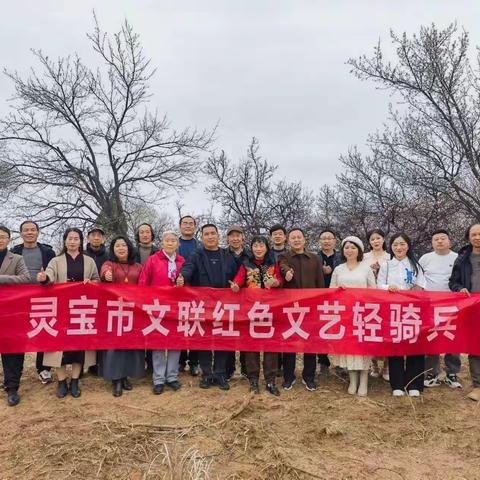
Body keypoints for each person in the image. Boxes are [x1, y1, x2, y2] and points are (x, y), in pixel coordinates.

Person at [37, 228, 100, 399]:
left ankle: (74, 381)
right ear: (65, 241)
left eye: (76, 238)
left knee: (79, 346)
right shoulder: (56, 261)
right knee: (59, 347)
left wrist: (90, 282)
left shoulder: (89, 261)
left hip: (81, 309)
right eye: (69, 238)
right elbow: (49, 275)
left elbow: (97, 280)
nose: (72, 241)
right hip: (61, 309)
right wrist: (45, 278)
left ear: (80, 241)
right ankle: (62, 381)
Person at [177, 223, 239, 390]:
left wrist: (237, 284)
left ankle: (219, 373)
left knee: (221, 339)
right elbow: (187, 269)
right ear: (202, 237)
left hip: (224, 305)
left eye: (213, 233)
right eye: (207, 234)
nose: (210, 237)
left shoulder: (227, 255)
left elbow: (237, 275)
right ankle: (206, 374)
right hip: (202, 305)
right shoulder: (196, 255)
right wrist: (182, 277)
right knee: (204, 340)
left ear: (218, 236)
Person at [230, 236, 282, 396]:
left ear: (266, 247)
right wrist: (236, 285)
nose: (258, 249)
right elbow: (239, 279)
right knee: (251, 346)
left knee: (270, 346)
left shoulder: (274, 263)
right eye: (255, 246)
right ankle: (253, 380)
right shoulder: (246, 264)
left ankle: (270, 381)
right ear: (251, 248)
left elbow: (280, 280)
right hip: (251, 310)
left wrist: (276, 282)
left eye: (261, 246)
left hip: (270, 309)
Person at [377, 233, 426, 397]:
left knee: (415, 344)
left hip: (412, 310)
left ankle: (415, 384)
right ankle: (397, 384)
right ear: (391, 247)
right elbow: (379, 285)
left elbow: (421, 285)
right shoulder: (386, 265)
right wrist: (388, 287)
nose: (399, 247)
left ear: (408, 245)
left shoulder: (415, 265)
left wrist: (415, 291)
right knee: (396, 345)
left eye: (402, 244)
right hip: (393, 311)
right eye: (395, 244)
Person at [139, 231, 185, 394]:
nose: (170, 243)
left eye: (173, 240)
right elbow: (143, 281)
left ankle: (171, 376)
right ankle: (158, 379)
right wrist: (144, 303)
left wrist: (183, 283)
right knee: (157, 342)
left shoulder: (182, 261)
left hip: (176, 307)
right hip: (157, 307)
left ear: (177, 244)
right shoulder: (153, 260)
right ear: (162, 243)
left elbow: (189, 284)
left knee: (175, 342)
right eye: (167, 240)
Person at [279, 228, 325, 391]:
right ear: (288, 241)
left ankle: (309, 376)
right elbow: (282, 266)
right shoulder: (284, 256)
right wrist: (286, 273)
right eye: (293, 238)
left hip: (311, 307)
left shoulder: (314, 258)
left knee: (310, 344)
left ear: (304, 240)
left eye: (299, 237)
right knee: (290, 344)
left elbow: (320, 282)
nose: (296, 240)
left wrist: (320, 304)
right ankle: (288, 377)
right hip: (291, 308)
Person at [99, 236, 145, 397]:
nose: (121, 248)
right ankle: (116, 379)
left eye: (123, 245)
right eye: (117, 245)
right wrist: (107, 275)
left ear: (129, 248)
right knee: (115, 346)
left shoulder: (138, 266)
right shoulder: (109, 264)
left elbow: (143, 285)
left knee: (130, 345)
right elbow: (104, 273)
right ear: (113, 249)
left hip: (133, 311)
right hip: (114, 311)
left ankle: (126, 376)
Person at [330, 236, 376, 396]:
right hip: (345, 314)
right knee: (349, 347)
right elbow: (331, 291)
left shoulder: (366, 268)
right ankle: (353, 379)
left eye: (353, 247)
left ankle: (364, 380)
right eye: (347, 247)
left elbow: (373, 291)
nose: (349, 250)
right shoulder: (338, 269)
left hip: (363, 313)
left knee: (362, 347)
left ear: (359, 250)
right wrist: (338, 290)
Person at [11, 220, 56, 385]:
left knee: (44, 332)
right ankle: (15, 372)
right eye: (26, 230)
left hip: (42, 299)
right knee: (19, 335)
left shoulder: (48, 252)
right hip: (19, 299)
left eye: (32, 230)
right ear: (21, 233)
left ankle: (43, 369)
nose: (29, 232)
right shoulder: (14, 252)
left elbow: (54, 274)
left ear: (38, 232)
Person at [420, 229, 461, 389]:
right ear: (432, 242)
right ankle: (431, 373)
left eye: (443, 238)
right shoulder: (425, 258)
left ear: (449, 241)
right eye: (436, 239)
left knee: (452, 338)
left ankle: (452, 373)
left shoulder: (458, 258)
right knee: (432, 338)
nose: (439, 241)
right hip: (431, 305)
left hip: (453, 305)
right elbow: (418, 277)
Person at [449, 223, 480, 401]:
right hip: (472, 307)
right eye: (473, 234)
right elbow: (453, 282)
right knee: (476, 346)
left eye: (479, 234)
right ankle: (478, 385)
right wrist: (459, 289)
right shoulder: (462, 258)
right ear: (468, 237)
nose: (477, 237)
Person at [0, 225, 31, 406]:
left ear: (9, 240)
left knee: (12, 350)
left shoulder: (17, 258)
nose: (0, 239)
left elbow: (25, 278)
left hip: (12, 311)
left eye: (3, 237)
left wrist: (1, 279)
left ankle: (12, 387)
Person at [363, 228, 390, 381]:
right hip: (369, 299)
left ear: (383, 239)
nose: (375, 241)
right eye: (372, 239)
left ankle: (386, 367)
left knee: (385, 332)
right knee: (370, 331)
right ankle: (373, 365)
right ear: (369, 242)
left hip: (386, 299)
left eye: (378, 238)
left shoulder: (390, 256)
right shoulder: (364, 257)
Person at [133, 223, 159, 372]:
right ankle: (137, 365)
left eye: (147, 232)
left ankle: (151, 365)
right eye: (141, 232)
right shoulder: (132, 252)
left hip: (153, 297)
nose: (144, 234)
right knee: (138, 330)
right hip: (136, 295)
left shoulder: (158, 252)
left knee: (152, 329)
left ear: (151, 234)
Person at [178, 215, 201, 377]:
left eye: (190, 224)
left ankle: (194, 362)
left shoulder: (199, 246)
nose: (187, 226)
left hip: (197, 291)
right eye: (184, 223)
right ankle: (180, 361)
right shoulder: (173, 243)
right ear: (180, 227)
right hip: (177, 291)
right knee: (179, 326)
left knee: (195, 327)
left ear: (195, 227)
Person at [225, 224, 249, 379]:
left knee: (246, 334)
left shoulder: (249, 255)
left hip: (247, 299)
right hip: (226, 299)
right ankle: (229, 369)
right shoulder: (222, 254)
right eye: (232, 236)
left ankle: (246, 369)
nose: (235, 238)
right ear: (228, 238)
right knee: (228, 334)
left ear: (242, 237)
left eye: (237, 235)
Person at [318, 229, 342, 375]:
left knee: (340, 330)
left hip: (339, 299)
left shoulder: (342, 257)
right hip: (320, 299)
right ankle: (323, 362)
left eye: (329, 238)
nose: (326, 241)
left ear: (335, 241)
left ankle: (340, 363)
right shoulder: (314, 257)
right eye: (323, 238)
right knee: (321, 331)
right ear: (319, 241)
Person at [269, 224, 288, 377]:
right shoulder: (266, 253)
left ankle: (283, 366)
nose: (277, 236)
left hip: (287, 297)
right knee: (273, 332)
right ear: (271, 237)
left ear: (285, 237)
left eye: (280, 234)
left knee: (285, 332)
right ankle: (273, 366)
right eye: (274, 234)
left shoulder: (289, 254)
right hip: (268, 298)